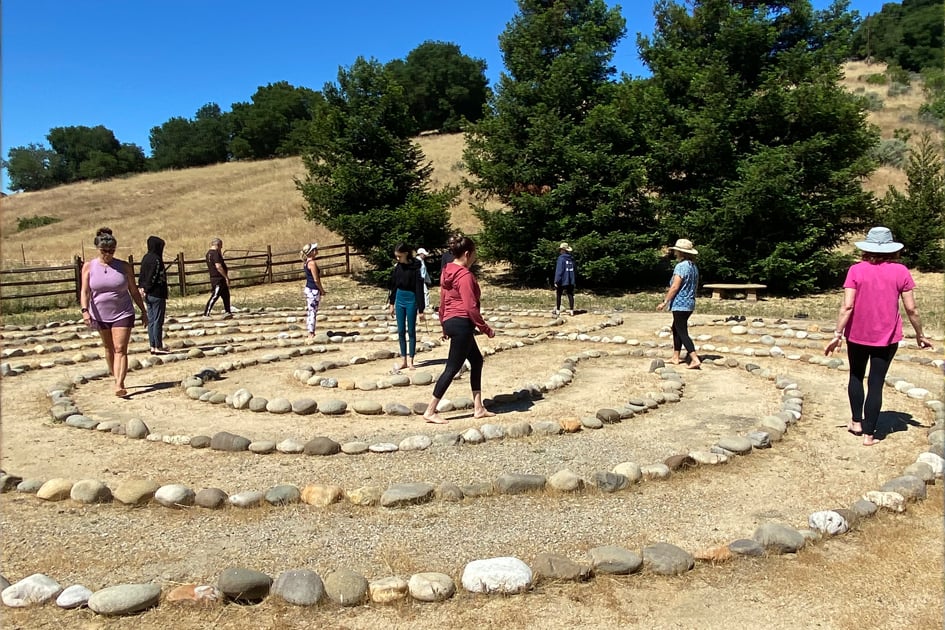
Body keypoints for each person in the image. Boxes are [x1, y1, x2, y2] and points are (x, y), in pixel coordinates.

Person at [825, 227, 933, 446]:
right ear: (892, 249)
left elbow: (847, 306)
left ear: (867, 248)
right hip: (887, 337)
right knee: (876, 383)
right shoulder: (901, 271)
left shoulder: (855, 270)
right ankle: (869, 435)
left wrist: (837, 334)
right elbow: (912, 309)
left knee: (856, 376)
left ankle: (856, 422)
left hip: (856, 335)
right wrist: (920, 335)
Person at [422, 235, 496, 424]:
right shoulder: (464, 276)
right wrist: (486, 329)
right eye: (474, 253)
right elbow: (470, 306)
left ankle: (478, 407)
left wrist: (444, 324)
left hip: (452, 321)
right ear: (466, 253)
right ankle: (431, 410)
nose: (475, 257)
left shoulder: (447, 271)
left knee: (477, 361)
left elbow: (443, 300)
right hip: (462, 323)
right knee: (453, 367)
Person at [80, 227, 148, 397]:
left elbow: (133, 290)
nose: (108, 254)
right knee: (109, 348)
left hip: (123, 312)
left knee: (120, 348)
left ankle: (119, 383)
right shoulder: (89, 266)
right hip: (100, 314)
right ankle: (114, 374)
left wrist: (143, 310)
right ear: (98, 249)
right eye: (105, 251)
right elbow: (85, 291)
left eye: (111, 251)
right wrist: (85, 310)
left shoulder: (124, 267)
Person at [657, 238, 701, 369]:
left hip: (680, 303)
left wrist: (665, 301)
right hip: (690, 302)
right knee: (676, 328)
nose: (675, 253)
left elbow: (675, 286)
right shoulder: (693, 266)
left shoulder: (681, 267)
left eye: (676, 251)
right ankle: (675, 357)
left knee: (682, 331)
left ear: (681, 253)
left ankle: (694, 358)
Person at [387, 243, 426, 371]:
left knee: (411, 331)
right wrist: (391, 303)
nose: (397, 258)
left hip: (411, 299)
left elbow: (419, 288)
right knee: (401, 331)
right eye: (396, 256)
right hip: (399, 298)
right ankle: (403, 359)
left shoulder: (415, 267)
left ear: (405, 254)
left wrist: (421, 309)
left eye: (399, 256)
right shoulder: (398, 267)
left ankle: (411, 360)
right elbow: (393, 285)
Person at [137, 235, 169, 354]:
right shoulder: (156, 259)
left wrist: (141, 287)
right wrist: (148, 288)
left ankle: (152, 346)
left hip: (147, 294)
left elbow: (142, 274)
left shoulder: (145, 257)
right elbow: (153, 276)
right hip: (157, 293)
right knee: (157, 321)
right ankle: (158, 346)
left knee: (151, 320)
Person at [301, 242, 327, 338]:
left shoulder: (306, 262)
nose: (317, 250)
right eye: (315, 249)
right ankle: (311, 333)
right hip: (313, 290)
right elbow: (316, 280)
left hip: (309, 289)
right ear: (311, 252)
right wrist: (322, 290)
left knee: (311, 311)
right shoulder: (312, 263)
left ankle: (310, 331)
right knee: (312, 311)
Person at [203, 237, 232, 319]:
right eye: (221, 246)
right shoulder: (215, 253)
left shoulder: (208, 253)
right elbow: (218, 266)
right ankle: (206, 313)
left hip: (219, 278)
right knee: (215, 295)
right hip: (218, 278)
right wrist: (226, 277)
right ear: (218, 245)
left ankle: (228, 311)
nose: (221, 248)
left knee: (226, 295)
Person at [554, 242, 577, 316]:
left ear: (563, 250)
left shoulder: (561, 258)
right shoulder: (571, 258)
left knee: (559, 294)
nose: (560, 251)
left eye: (561, 249)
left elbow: (559, 270)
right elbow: (574, 269)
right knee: (570, 294)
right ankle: (571, 310)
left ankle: (557, 310)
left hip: (562, 279)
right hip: (570, 279)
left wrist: (556, 280)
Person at [416, 247, 433, 311]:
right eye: (424, 254)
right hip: (418, 280)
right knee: (425, 292)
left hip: (422, 280)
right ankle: (425, 306)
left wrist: (428, 280)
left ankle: (425, 305)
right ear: (420, 254)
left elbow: (425, 271)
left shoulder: (422, 261)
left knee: (425, 292)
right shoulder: (417, 261)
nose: (425, 256)